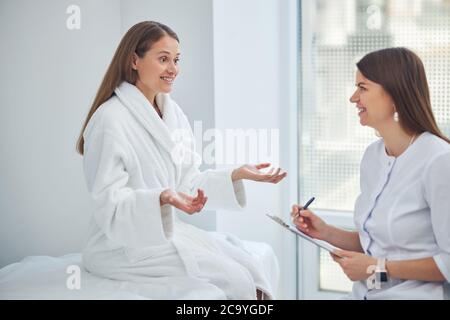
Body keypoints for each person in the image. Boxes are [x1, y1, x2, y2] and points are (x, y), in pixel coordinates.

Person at [76, 21, 286, 300]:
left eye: (176, 60)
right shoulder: (109, 120)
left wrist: (236, 174)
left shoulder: (172, 113)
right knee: (235, 280)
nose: (173, 69)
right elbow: (109, 203)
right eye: (163, 59)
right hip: (119, 245)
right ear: (134, 60)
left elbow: (188, 182)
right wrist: (160, 199)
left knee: (251, 268)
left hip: (162, 233)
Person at [291, 47, 450, 299]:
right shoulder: (373, 157)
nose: (353, 98)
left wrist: (378, 267)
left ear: (395, 94)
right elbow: (380, 241)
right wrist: (326, 231)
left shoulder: (439, 160)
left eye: (362, 88)